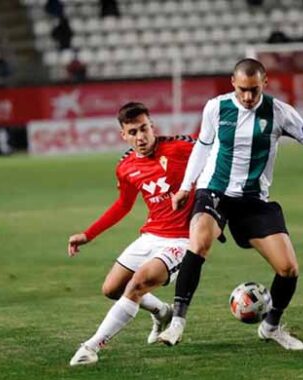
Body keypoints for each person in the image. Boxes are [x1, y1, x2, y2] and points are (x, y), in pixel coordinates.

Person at [156, 59, 303, 350]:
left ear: (265, 83)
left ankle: (271, 327)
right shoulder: (216, 107)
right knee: (199, 244)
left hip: (254, 200)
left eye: (254, 90)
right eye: (243, 90)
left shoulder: (280, 112)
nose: (248, 97)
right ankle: (177, 324)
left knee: (288, 269)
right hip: (215, 191)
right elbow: (203, 146)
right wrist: (187, 186)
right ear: (233, 83)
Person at [67, 103, 196, 365]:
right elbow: (123, 205)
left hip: (183, 239)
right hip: (150, 235)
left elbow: (213, 154)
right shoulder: (125, 166)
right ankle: (161, 312)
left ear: (152, 126)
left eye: (144, 129)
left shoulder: (181, 147)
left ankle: (92, 346)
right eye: (133, 132)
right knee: (111, 288)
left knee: (138, 284)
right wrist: (88, 234)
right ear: (123, 135)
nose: (141, 137)